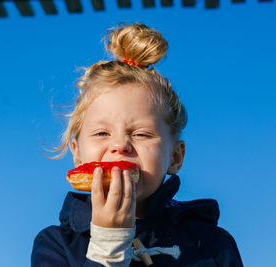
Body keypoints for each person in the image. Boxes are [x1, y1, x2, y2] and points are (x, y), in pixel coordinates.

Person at [31, 23, 243, 267]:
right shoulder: (57, 245)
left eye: (142, 134)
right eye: (101, 133)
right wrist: (107, 247)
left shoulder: (214, 245)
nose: (120, 145)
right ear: (77, 153)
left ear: (175, 157)